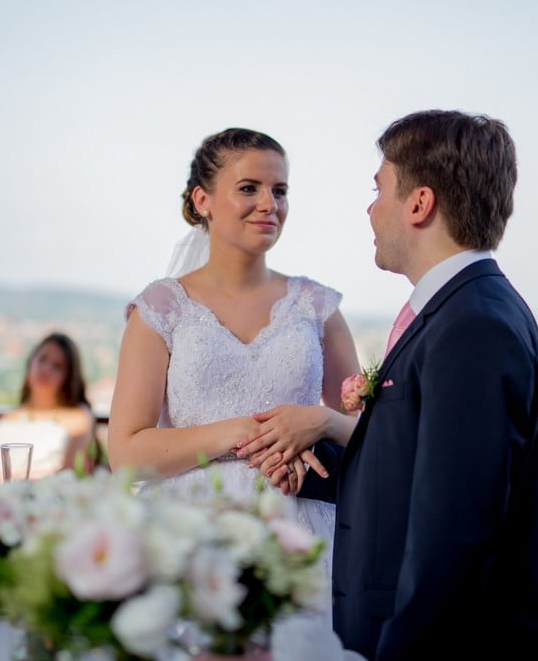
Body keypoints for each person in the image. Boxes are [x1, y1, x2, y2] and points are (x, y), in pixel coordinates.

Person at [238, 110, 538, 661]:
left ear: (419, 203)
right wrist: (322, 464)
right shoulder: (455, 311)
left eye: (378, 187)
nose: (369, 208)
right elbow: (421, 471)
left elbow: (456, 537)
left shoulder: (473, 325)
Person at [107, 127, 360, 549]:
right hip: (189, 532)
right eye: (248, 188)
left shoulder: (316, 307)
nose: (269, 204)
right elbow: (126, 455)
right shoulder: (162, 308)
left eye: (279, 191)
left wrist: (321, 422)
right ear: (201, 200)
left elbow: (367, 432)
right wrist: (242, 431)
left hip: (300, 530)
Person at [0, 332, 96, 479]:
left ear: (69, 377)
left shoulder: (78, 418)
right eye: (42, 359)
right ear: (31, 362)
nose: (46, 369)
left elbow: (74, 474)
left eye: (57, 366)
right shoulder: (8, 418)